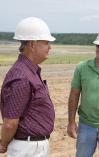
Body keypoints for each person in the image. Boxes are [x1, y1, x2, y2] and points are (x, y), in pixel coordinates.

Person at [0, 17, 56, 156]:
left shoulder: (29, 71)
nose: (50, 47)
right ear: (32, 44)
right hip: (27, 149)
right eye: (46, 43)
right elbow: (10, 123)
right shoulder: (21, 76)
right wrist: (3, 144)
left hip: (33, 146)